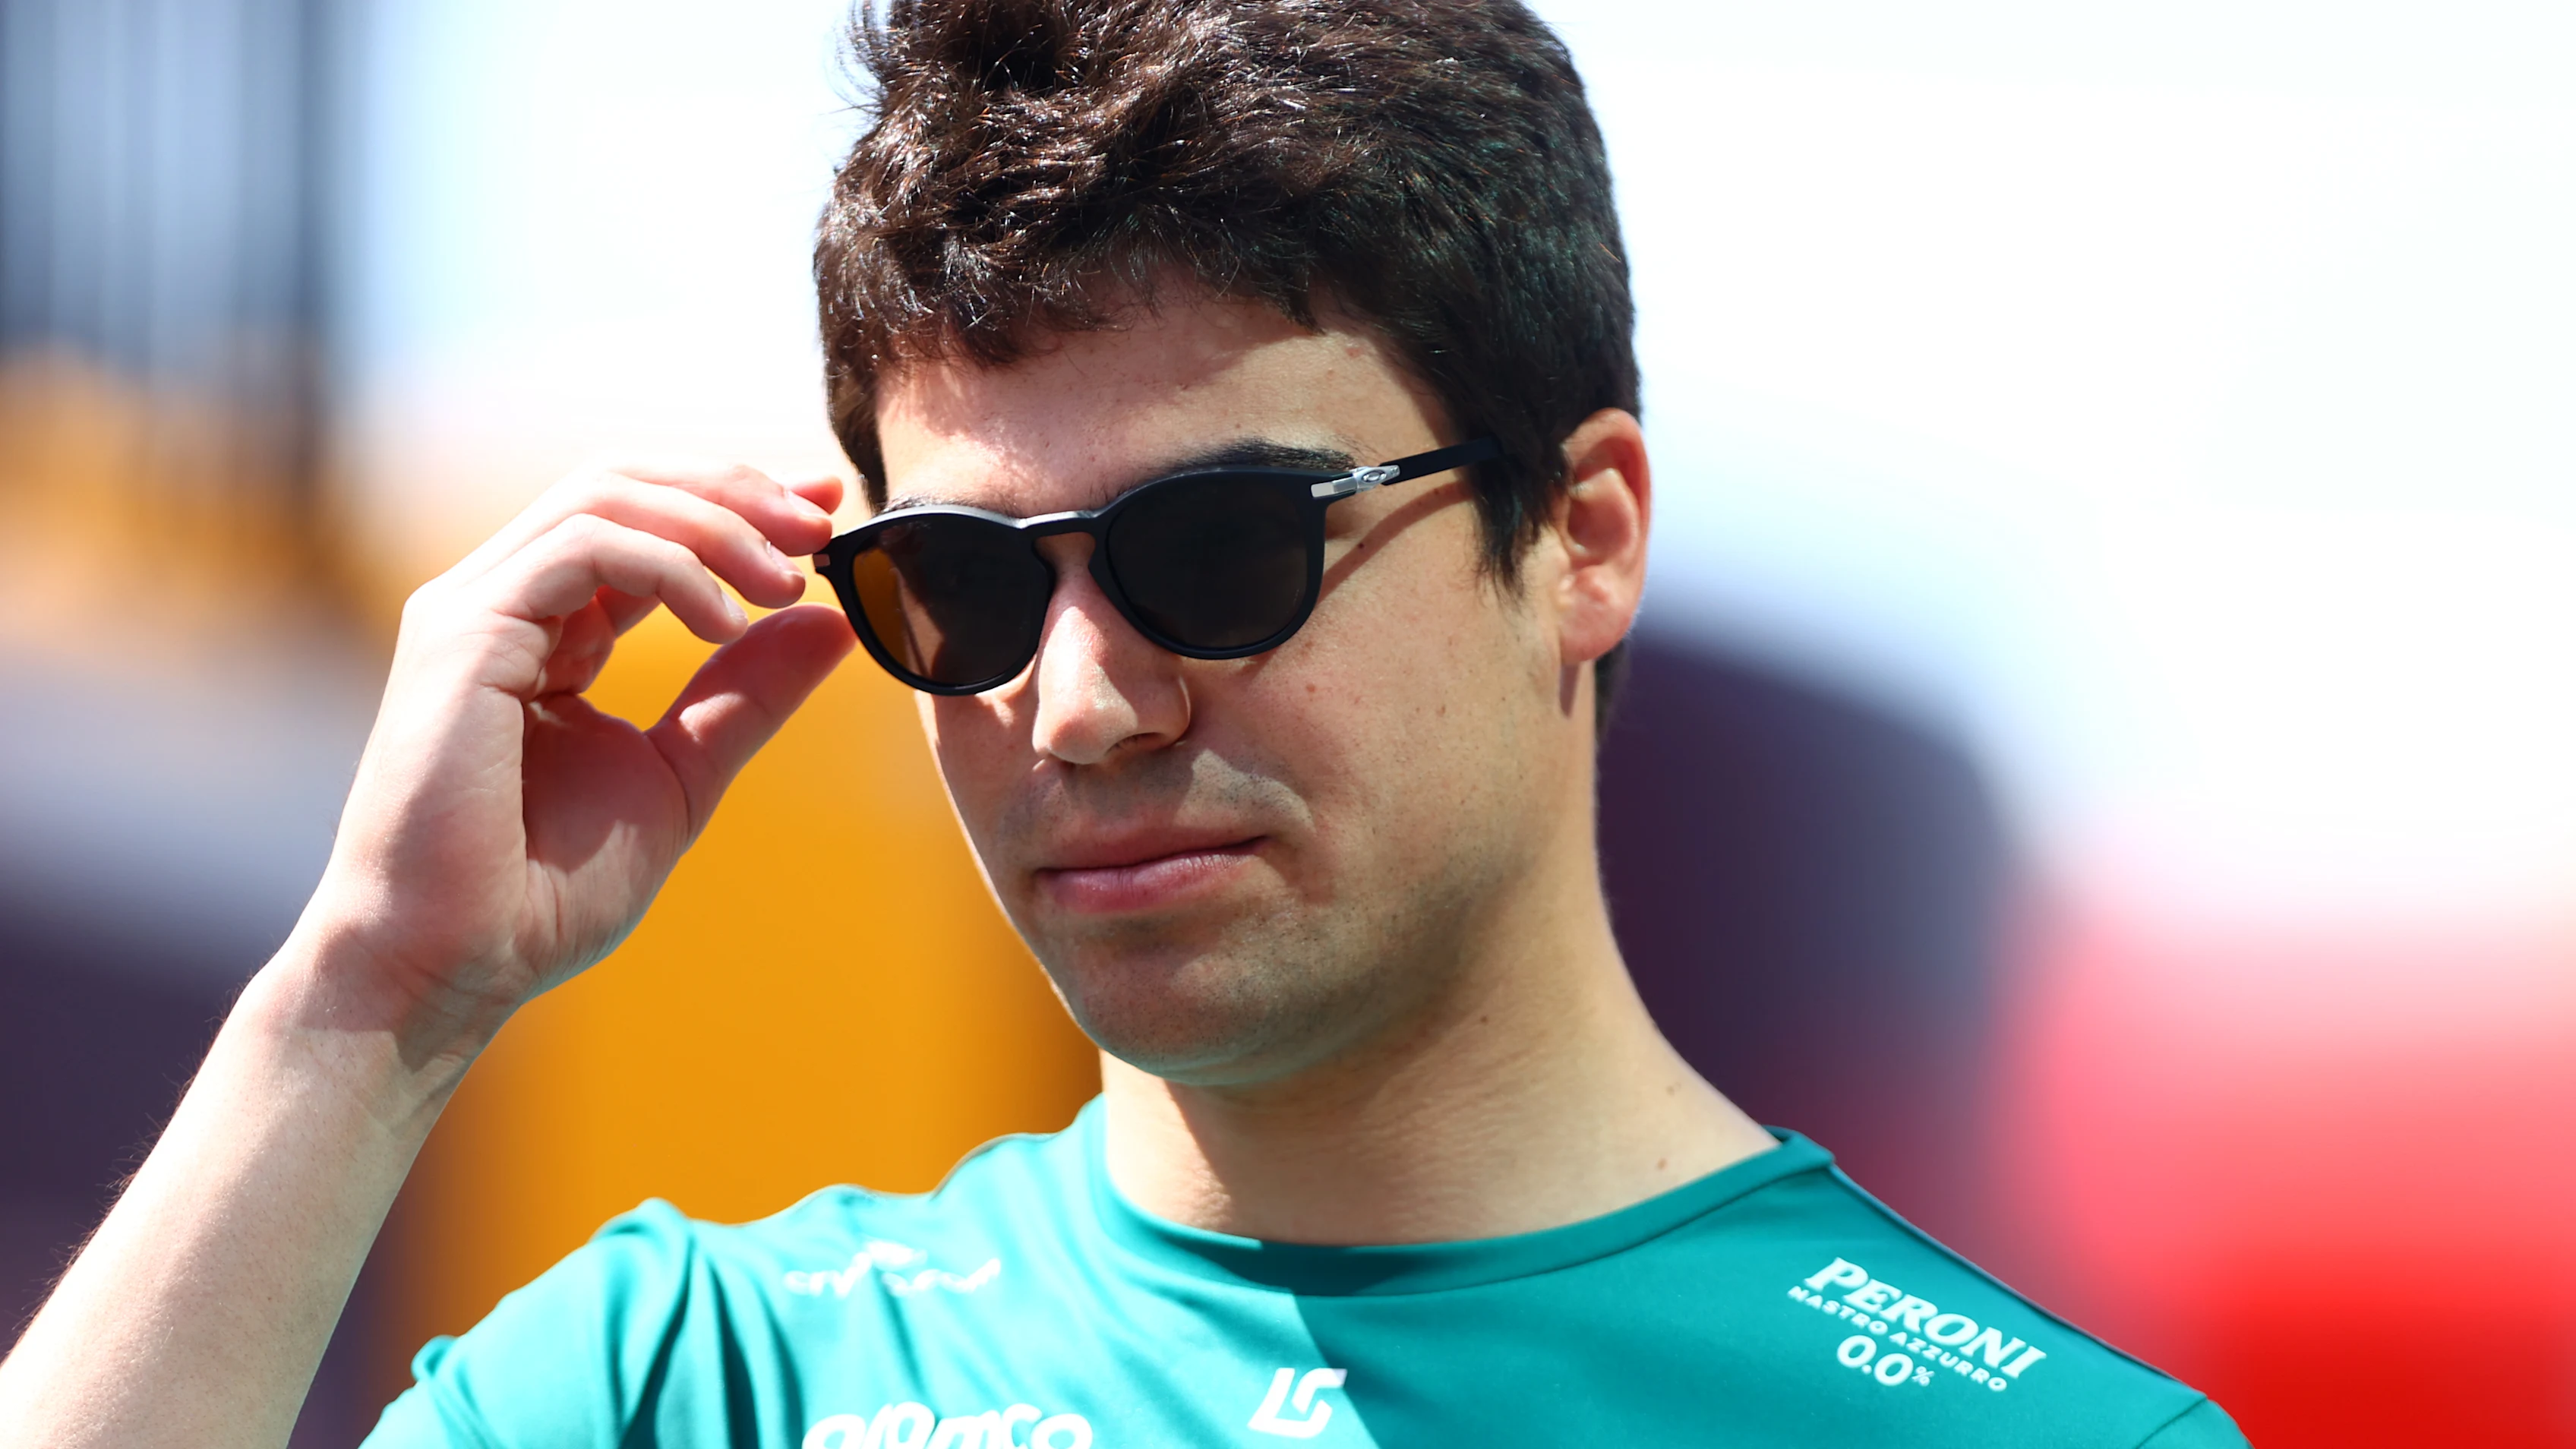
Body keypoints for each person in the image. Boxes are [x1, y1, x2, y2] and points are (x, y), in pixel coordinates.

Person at [0, 2, 2247, 1445]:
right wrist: (363, 1006)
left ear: (1580, 535)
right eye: (961, 589)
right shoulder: (699, 1381)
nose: (1073, 701)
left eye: (1221, 551)